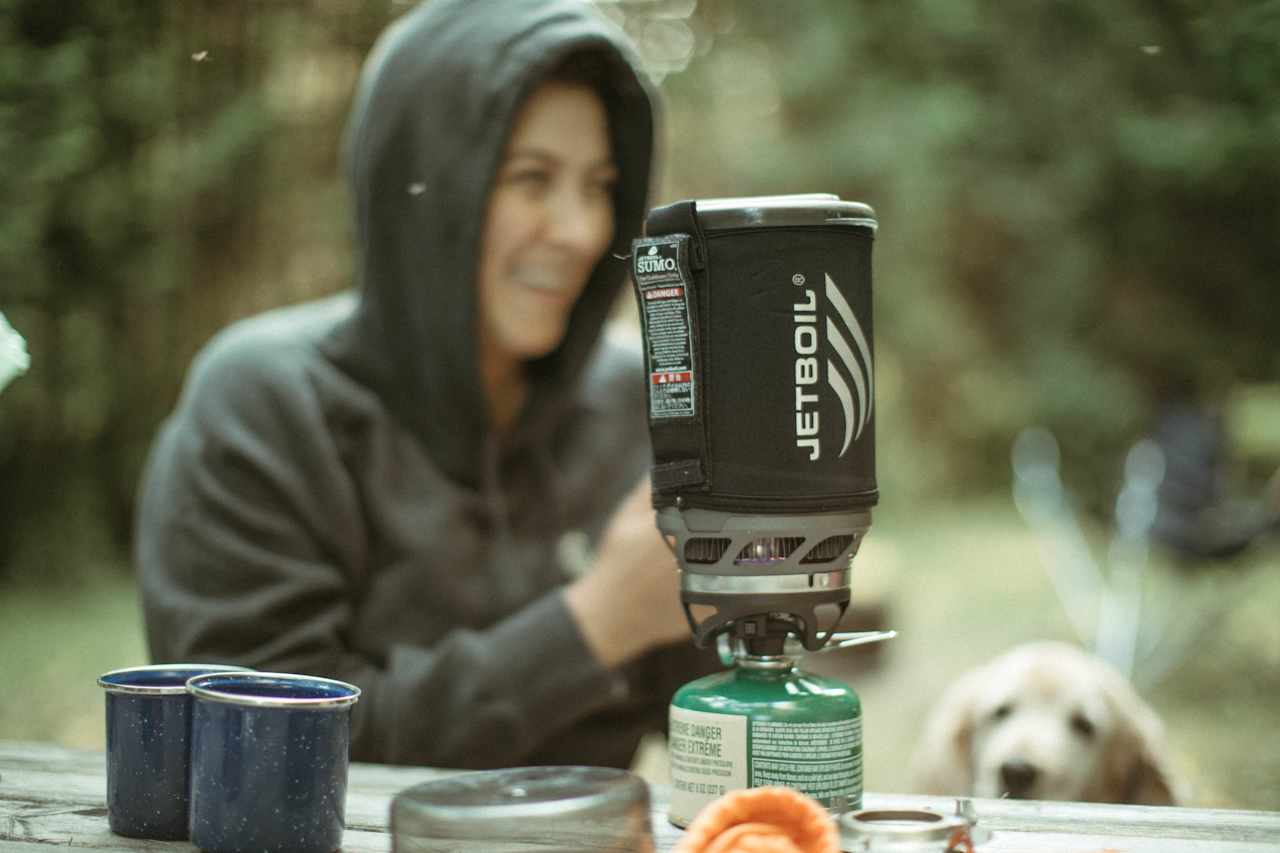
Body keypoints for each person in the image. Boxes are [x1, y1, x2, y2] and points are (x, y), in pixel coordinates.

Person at [136, 0, 719, 769]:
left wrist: (756, 588)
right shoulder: (265, 404)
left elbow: (713, 711)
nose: (581, 230)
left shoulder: (628, 400)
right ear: (425, 186)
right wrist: (596, 622)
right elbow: (262, 747)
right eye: (531, 178)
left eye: (600, 185)